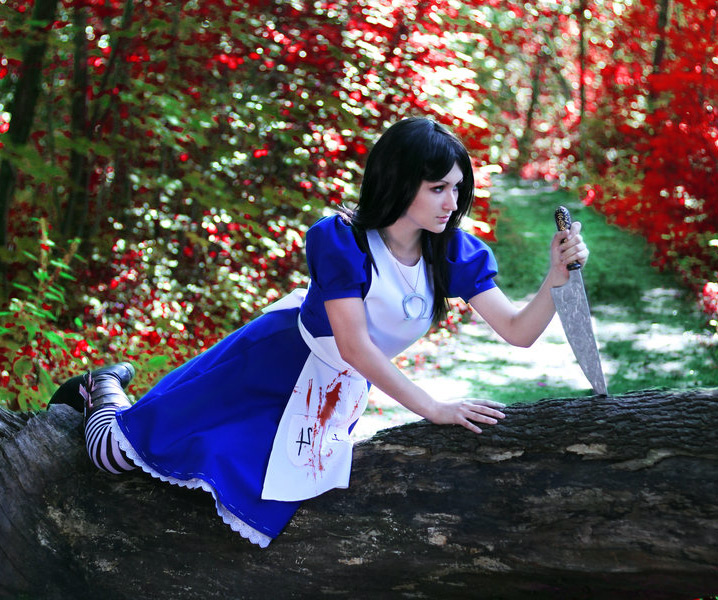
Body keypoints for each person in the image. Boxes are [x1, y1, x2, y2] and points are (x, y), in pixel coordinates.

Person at [50, 117, 589, 548]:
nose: (453, 203)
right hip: (270, 366)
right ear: (401, 183)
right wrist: (434, 408)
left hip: (333, 390)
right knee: (115, 456)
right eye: (438, 189)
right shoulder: (341, 239)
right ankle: (102, 386)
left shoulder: (454, 251)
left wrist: (556, 277)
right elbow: (353, 345)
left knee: (270, 498)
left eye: (456, 188)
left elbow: (518, 331)